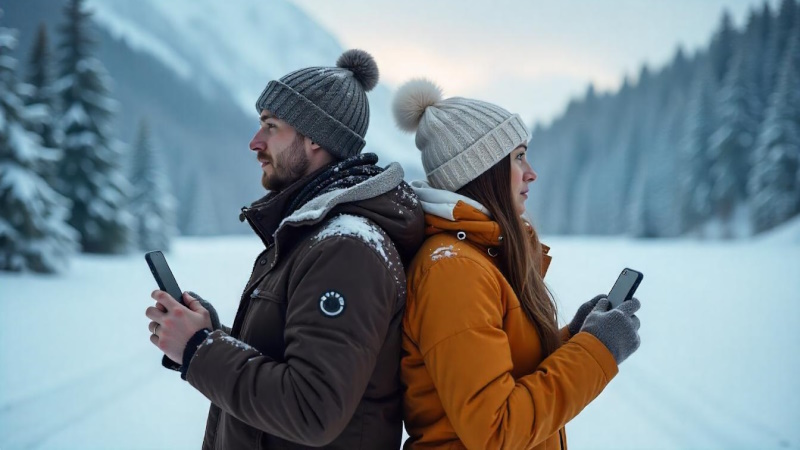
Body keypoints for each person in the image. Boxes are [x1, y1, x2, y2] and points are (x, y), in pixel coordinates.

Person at [144, 49, 425, 449]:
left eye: (271, 127)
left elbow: (311, 408)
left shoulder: (347, 249)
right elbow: (286, 363)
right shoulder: (315, 234)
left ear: (315, 138)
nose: (255, 142)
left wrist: (198, 350)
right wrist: (208, 334)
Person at [393, 79, 642, 449]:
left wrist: (576, 337)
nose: (531, 172)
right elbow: (496, 428)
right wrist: (596, 353)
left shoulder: (476, 257)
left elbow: (503, 374)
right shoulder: (452, 271)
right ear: (482, 170)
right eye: (518, 156)